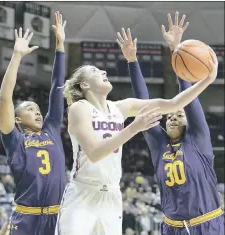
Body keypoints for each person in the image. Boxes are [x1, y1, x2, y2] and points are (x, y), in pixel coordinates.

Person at [55, 22, 221, 234]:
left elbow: (174, 103)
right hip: (84, 191)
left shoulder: (122, 108)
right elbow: (95, 152)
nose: (103, 70)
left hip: (113, 196)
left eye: (179, 116)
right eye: (96, 71)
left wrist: (206, 78)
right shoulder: (80, 108)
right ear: (85, 85)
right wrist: (134, 126)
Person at [117, 11, 224, 235]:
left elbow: (189, 98)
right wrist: (132, 61)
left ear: (189, 123)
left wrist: (176, 50)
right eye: (170, 116)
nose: (173, 116)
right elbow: (144, 105)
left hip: (207, 225)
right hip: (171, 228)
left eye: (179, 115)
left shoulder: (198, 140)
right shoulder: (159, 145)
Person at [0, 11, 66, 235]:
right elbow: (5, 98)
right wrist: (17, 56)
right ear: (17, 119)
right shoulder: (14, 139)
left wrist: (60, 46)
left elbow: (58, 87)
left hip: (56, 218)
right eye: (30, 109)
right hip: (25, 218)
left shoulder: (52, 129)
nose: (37, 113)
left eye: (38, 110)